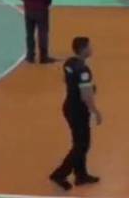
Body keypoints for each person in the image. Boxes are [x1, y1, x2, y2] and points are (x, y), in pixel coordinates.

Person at [49, 37, 101, 190]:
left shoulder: (69, 63)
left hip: (69, 106)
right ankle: (59, 174)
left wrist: (87, 87)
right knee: (82, 145)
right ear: (83, 49)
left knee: (79, 142)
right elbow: (86, 95)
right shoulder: (83, 70)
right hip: (78, 111)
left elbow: (67, 81)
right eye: (89, 46)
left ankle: (81, 175)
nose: (92, 49)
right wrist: (95, 111)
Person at [15, 0, 55, 64]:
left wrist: (27, 0)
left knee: (29, 33)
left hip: (28, 10)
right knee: (42, 33)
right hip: (41, 9)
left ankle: (30, 56)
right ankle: (43, 57)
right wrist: (46, 4)